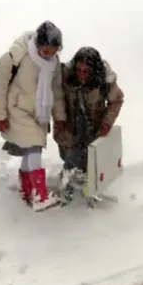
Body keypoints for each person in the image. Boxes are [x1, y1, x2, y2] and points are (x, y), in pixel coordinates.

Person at [0, 21, 66, 211]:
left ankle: (26, 189)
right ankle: (40, 195)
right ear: (38, 45)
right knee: (34, 147)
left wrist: (60, 117)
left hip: (39, 112)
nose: (48, 55)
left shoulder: (54, 64)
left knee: (29, 148)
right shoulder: (18, 55)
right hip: (17, 109)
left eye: (53, 51)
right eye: (45, 51)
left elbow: (55, 91)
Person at [54, 46, 124, 203]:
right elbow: (56, 96)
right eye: (79, 70)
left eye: (86, 72)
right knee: (69, 154)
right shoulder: (65, 75)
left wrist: (107, 123)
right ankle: (69, 184)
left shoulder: (105, 81)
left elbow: (116, 100)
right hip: (70, 125)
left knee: (89, 158)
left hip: (93, 125)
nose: (81, 75)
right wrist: (60, 118)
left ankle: (81, 188)